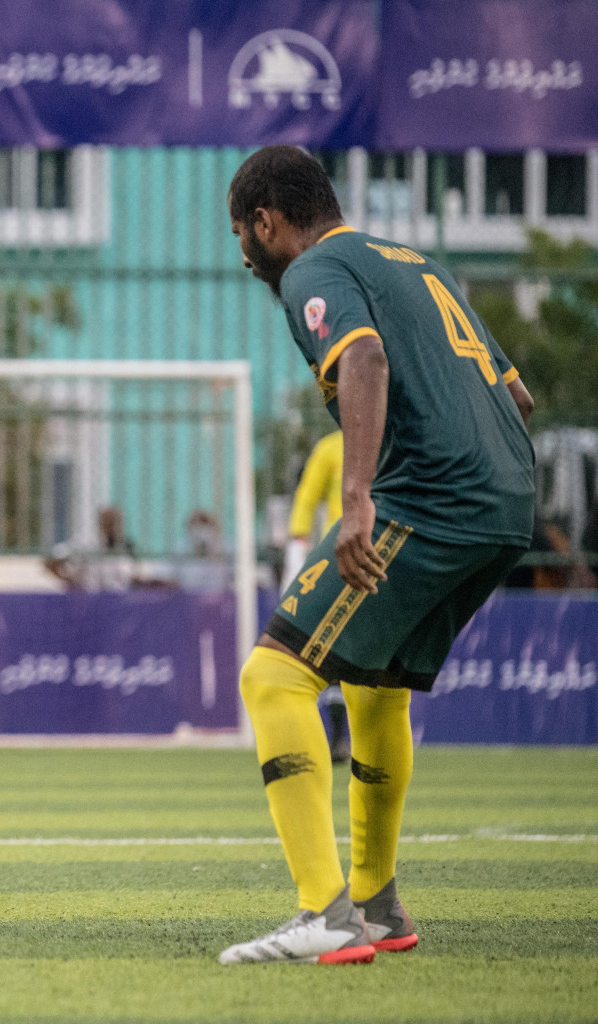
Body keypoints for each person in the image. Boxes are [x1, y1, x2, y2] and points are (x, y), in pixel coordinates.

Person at [221, 146, 535, 965]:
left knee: (274, 674)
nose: (244, 253)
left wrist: (359, 494)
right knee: (373, 685)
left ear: (267, 222)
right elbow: (518, 395)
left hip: (429, 497)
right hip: (508, 501)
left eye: (240, 234)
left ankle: (322, 915)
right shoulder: (415, 264)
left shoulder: (312, 270)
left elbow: (361, 357)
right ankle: (381, 908)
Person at [283, 431, 351, 764]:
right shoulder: (329, 447)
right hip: (337, 561)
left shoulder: (394, 436)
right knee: (333, 649)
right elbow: (307, 498)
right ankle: (337, 736)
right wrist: (297, 553)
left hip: (386, 558)